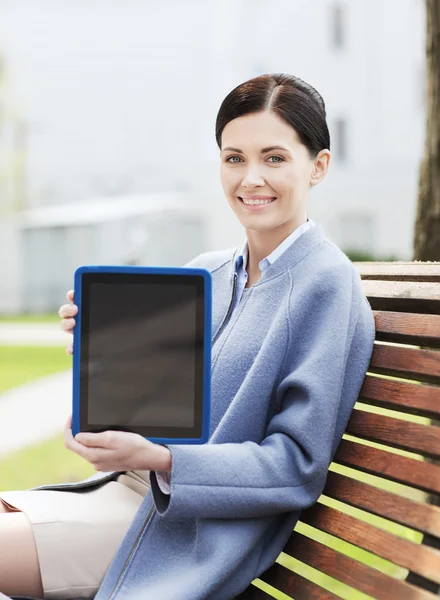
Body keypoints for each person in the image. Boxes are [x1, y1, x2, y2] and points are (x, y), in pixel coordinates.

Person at [0, 73, 376, 600]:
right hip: (130, 497)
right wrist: (99, 354)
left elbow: (295, 466)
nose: (250, 179)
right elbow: (158, 399)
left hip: (189, 533)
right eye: (233, 158)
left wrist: (158, 460)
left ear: (318, 166)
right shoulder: (210, 272)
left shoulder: (326, 285)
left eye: (274, 158)